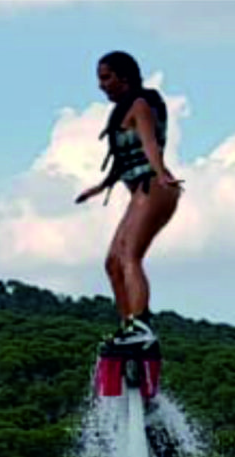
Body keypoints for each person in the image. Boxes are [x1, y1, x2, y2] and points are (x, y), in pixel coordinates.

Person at [75, 51, 181, 349]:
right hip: (141, 190)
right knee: (112, 262)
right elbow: (123, 160)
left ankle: (141, 325)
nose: (101, 85)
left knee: (129, 256)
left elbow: (149, 146)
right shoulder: (124, 110)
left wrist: (161, 173)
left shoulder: (140, 105)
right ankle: (128, 327)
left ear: (125, 77)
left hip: (155, 186)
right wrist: (99, 188)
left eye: (106, 78)